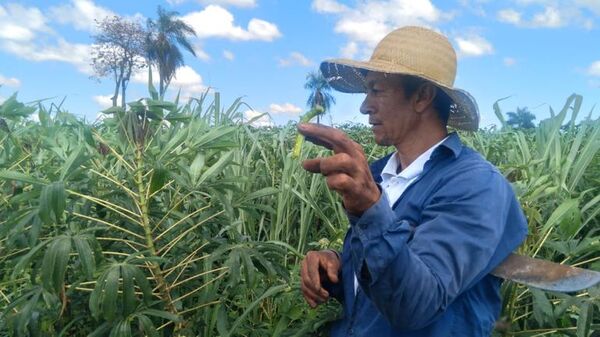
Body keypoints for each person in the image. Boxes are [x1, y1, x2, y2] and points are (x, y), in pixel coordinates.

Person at [298, 26, 528, 336]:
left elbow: (418, 304)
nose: (365, 105)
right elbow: (385, 274)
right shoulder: (380, 175)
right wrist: (338, 266)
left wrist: (370, 209)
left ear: (422, 96)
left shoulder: (477, 185)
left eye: (377, 89)